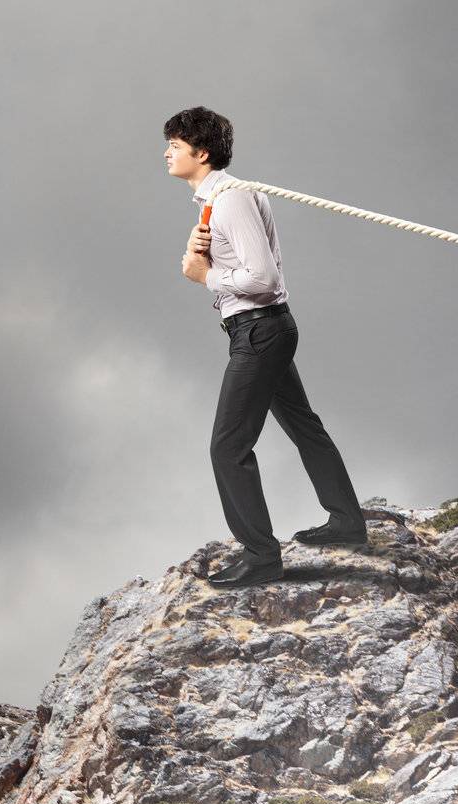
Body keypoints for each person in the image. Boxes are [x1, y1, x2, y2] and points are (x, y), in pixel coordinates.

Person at [164, 106, 367, 589]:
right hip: (262, 329)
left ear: (202, 152)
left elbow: (263, 278)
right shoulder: (223, 199)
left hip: (259, 332)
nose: (166, 153)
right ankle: (347, 523)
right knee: (304, 426)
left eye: (174, 145)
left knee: (227, 447)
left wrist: (203, 275)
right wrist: (208, 258)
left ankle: (261, 556)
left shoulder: (231, 199)